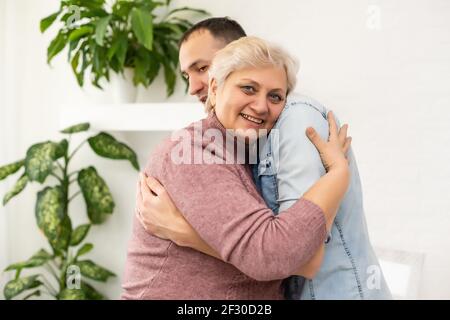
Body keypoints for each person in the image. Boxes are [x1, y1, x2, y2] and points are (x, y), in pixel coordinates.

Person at [134, 17, 392, 299]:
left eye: (202, 68)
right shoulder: (203, 148)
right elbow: (270, 253)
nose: (195, 86)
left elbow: (298, 258)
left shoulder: (294, 121)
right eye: (188, 75)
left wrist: (185, 232)